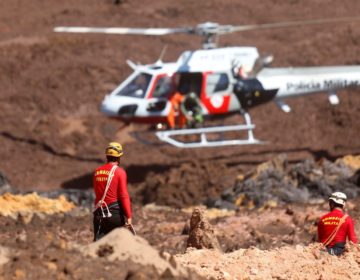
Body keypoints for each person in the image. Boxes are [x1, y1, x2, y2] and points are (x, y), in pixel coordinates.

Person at [93, 142, 132, 241]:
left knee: (99, 246)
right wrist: (129, 216)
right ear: (119, 157)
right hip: (114, 214)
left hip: (99, 214)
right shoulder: (120, 172)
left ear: (107, 156)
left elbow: (97, 194)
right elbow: (123, 195)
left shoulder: (97, 171)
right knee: (118, 245)